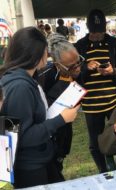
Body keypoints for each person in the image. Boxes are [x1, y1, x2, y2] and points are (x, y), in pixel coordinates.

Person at [0, 27, 80, 188]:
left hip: (38, 161)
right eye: (46, 50)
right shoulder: (20, 87)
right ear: (36, 55)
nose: (48, 54)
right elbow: (23, 137)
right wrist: (61, 119)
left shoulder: (24, 78)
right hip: (31, 168)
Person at [75, 9, 116, 173]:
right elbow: (73, 76)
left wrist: (113, 71)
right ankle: (104, 172)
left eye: (100, 32)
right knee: (95, 144)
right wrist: (85, 68)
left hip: (115, 102)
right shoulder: (79, 46)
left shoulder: (115, 44)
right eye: (94, 33)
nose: (97, 36)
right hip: (91, 106)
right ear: (88, 29)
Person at [37, 33, 84, 181]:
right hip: (48, 139)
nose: (77, 68)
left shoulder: (79, 71)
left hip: (63, 135)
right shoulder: (44, 77)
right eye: (71, 66)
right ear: (57, 64)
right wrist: (63, 84)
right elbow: (44, 110)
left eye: (79, 62)